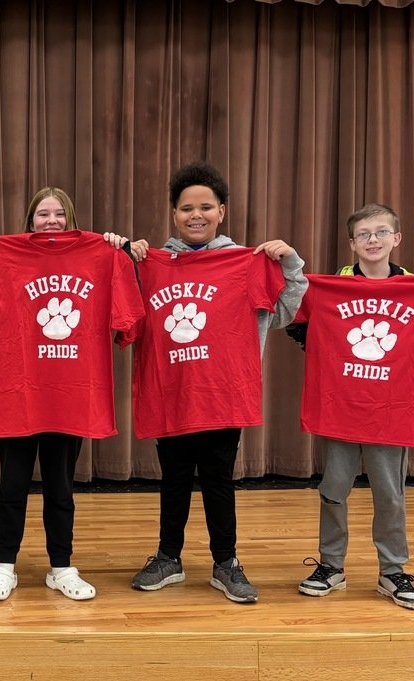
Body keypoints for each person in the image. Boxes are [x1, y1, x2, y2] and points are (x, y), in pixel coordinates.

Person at [128, 161, 307, 603]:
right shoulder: (150, 263)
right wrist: (126, 259)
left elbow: (285, 312)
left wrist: (290, 263)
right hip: (170, 390)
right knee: (172, 478)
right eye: (187, 208)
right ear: (174, 214)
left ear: (221, 211)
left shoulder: (245, 262)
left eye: (205, 207)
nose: (196, 215)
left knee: (218, 479)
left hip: (222, 393)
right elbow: (121, 315)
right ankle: (168, 557)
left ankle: (225, 562)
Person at [0, 188, 142, 601]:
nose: (51, 221)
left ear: (71, 219)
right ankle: (4, 565)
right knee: (12, 484)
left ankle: (61, 566)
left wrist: (123, 251)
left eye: (60, 214)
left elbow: (127, 320)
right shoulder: (3, 257)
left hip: (69, 394)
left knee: (61, 487)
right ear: (30, 222)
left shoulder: (102, 255)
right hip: (19, 393)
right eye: (43, 214)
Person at [291, 203, 414, 610]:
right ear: (352, 243)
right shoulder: (332, 287)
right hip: (342, 407)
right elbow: (302, 328)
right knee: (334, 489)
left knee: (390, 494)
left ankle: (392, 571)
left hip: (392, 409)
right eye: (364, 234)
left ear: (396, 239)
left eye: (381, 232)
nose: (373, 240)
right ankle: (331, 565)